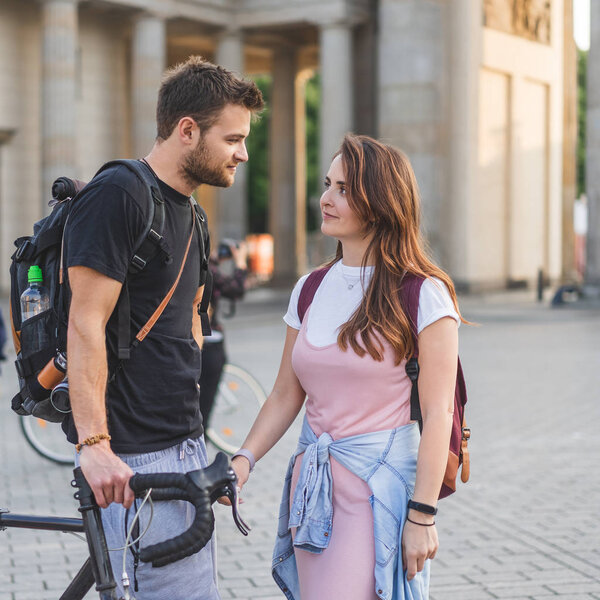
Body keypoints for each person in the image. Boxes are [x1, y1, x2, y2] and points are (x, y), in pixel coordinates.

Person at [62, 56, 263, 599]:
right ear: (187, 130)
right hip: (131, 455)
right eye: (234, 138)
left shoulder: (192, 213)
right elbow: (84, 322)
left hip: (181, 447)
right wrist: (95, 445)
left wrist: (198, 452)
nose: (244, 153)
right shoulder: (119, 195)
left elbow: (191, 329)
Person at [230, 134, 464, 599]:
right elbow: (285, 393)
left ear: (379, 203)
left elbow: (438, 415)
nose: (325, 198)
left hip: (379, 493)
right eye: (327, 184)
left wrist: (423, 514)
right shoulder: (310, 289)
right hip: (312, 491)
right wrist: (244, 459)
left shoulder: (423, 294)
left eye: (343, 189)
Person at [199, 240, 248, 428]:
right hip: (209, 344)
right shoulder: (209, 271)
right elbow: (236, 289)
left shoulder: (193, 265)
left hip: (190, 343)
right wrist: (241, 262)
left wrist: (213, 258)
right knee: (203, 411)